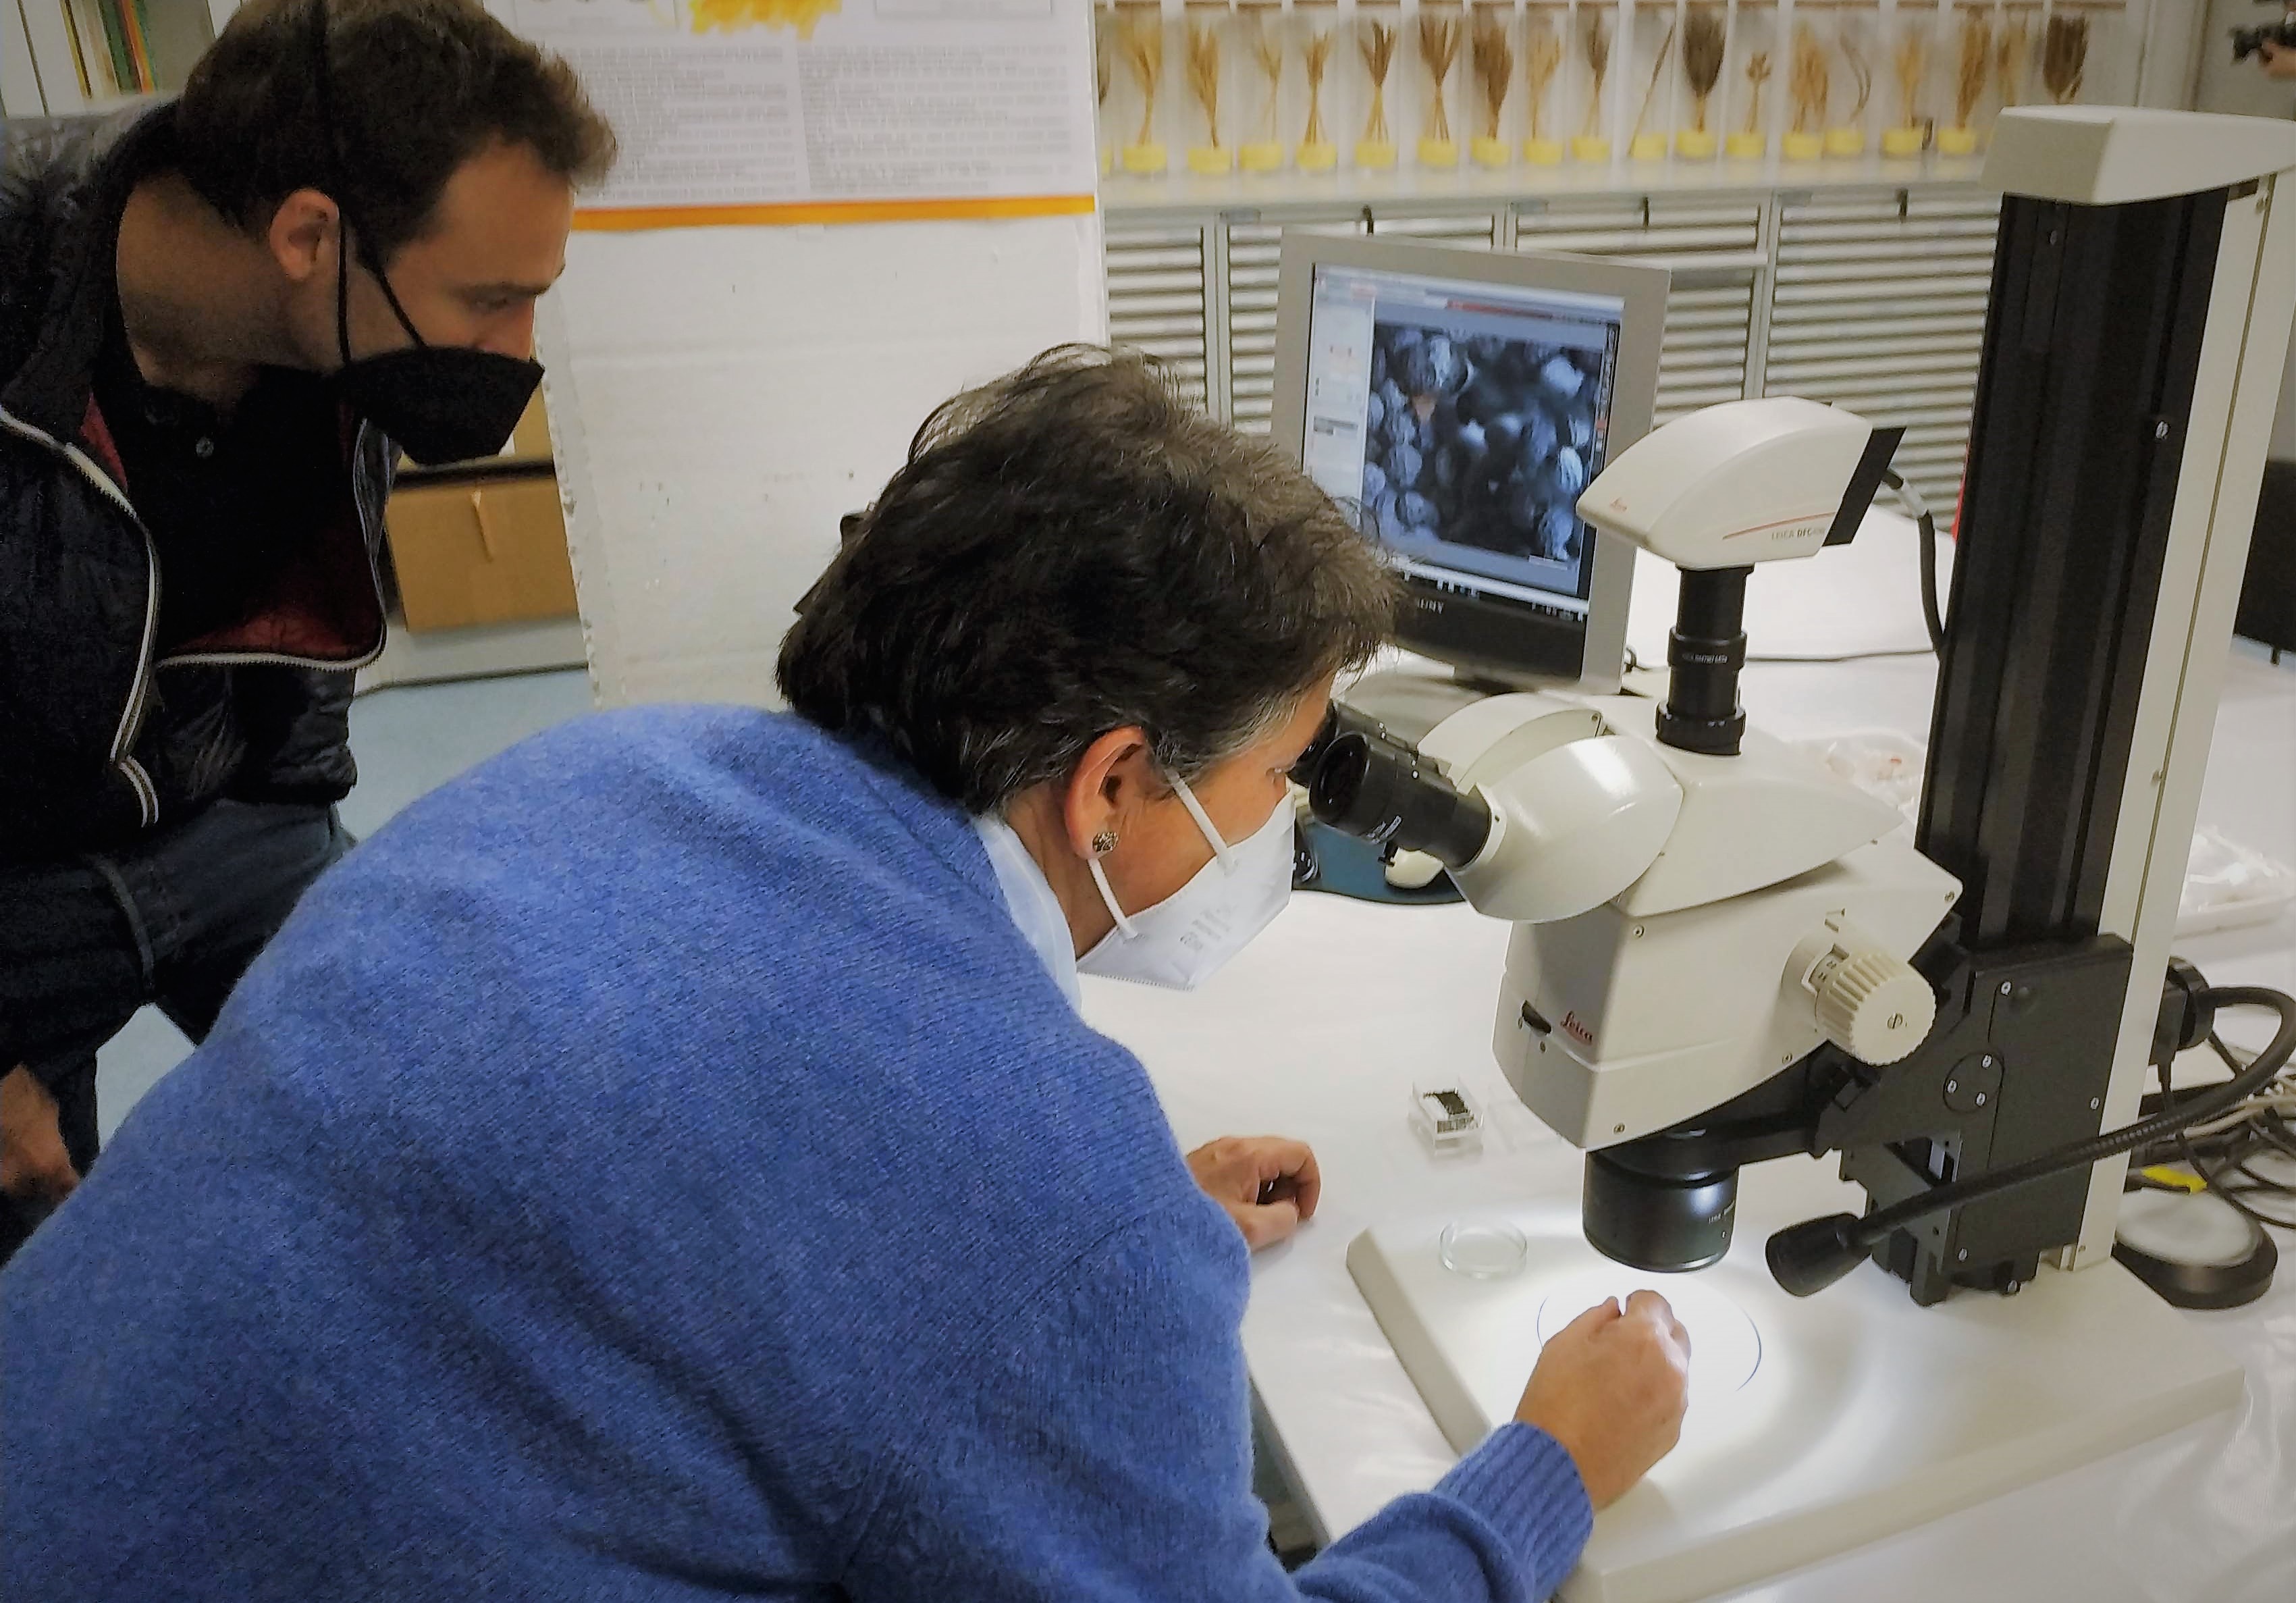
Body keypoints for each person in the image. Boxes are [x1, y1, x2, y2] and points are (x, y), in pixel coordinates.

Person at [1, 347, 1691, 1600]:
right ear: (1111, 781)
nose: (1283, 825)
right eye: (1283, 776)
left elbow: (707, 1178)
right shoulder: (1031, 1183)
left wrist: (1068, 1246)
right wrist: (1545, 1469)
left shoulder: (603, 771)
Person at [0, 0, 616, 1260]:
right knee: (36, 1271)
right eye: (493, 298)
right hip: (13, 888)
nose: (519, 352)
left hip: (232, 811)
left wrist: (310, 825)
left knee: (452, 1123)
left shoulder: (340, 336)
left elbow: (305, 616)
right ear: (307, 234)